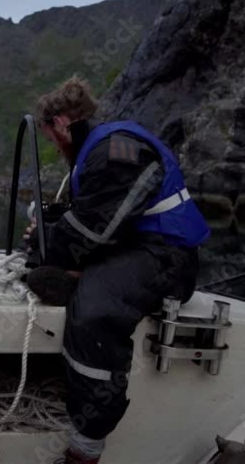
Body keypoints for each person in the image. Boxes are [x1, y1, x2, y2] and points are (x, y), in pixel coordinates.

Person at [24, 75, 210, 464]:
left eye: (49, 137)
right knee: (69, 276)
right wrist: (49, 230)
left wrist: (46, 242)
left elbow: (93, 229)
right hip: (137, 246)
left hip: (168, 257)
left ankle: (87, 444)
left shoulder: (115, 151)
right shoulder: (101, 149)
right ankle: (79, 279)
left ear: (60, 123)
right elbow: (97, 215)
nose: (54, 147)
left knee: (94, 309)